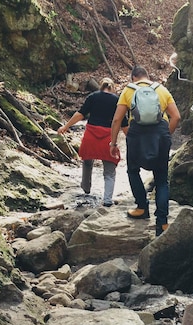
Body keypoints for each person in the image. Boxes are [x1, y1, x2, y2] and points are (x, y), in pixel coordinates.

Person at [109, 66, 181, 236]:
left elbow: (117, 119)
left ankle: (142, 207)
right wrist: (166, 136)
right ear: (147, 77)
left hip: (137, 135)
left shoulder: (128, 90)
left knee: (133, 170)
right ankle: (162, 223)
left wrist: (113, 143)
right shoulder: (161, 89)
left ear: (133, 77)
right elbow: (176, 117)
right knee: (162, 180)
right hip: (161, 134)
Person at [58, 77, 128, 207]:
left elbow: (80, 114)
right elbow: (123, 125)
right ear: (112, 88)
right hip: (108, 137)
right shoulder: (117, 101)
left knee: (87, 161)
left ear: (101, 86)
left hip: (91, 135)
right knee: (109, 171)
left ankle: (86, 187)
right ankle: (107, 200)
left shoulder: (93, 97)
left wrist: (65, 126)